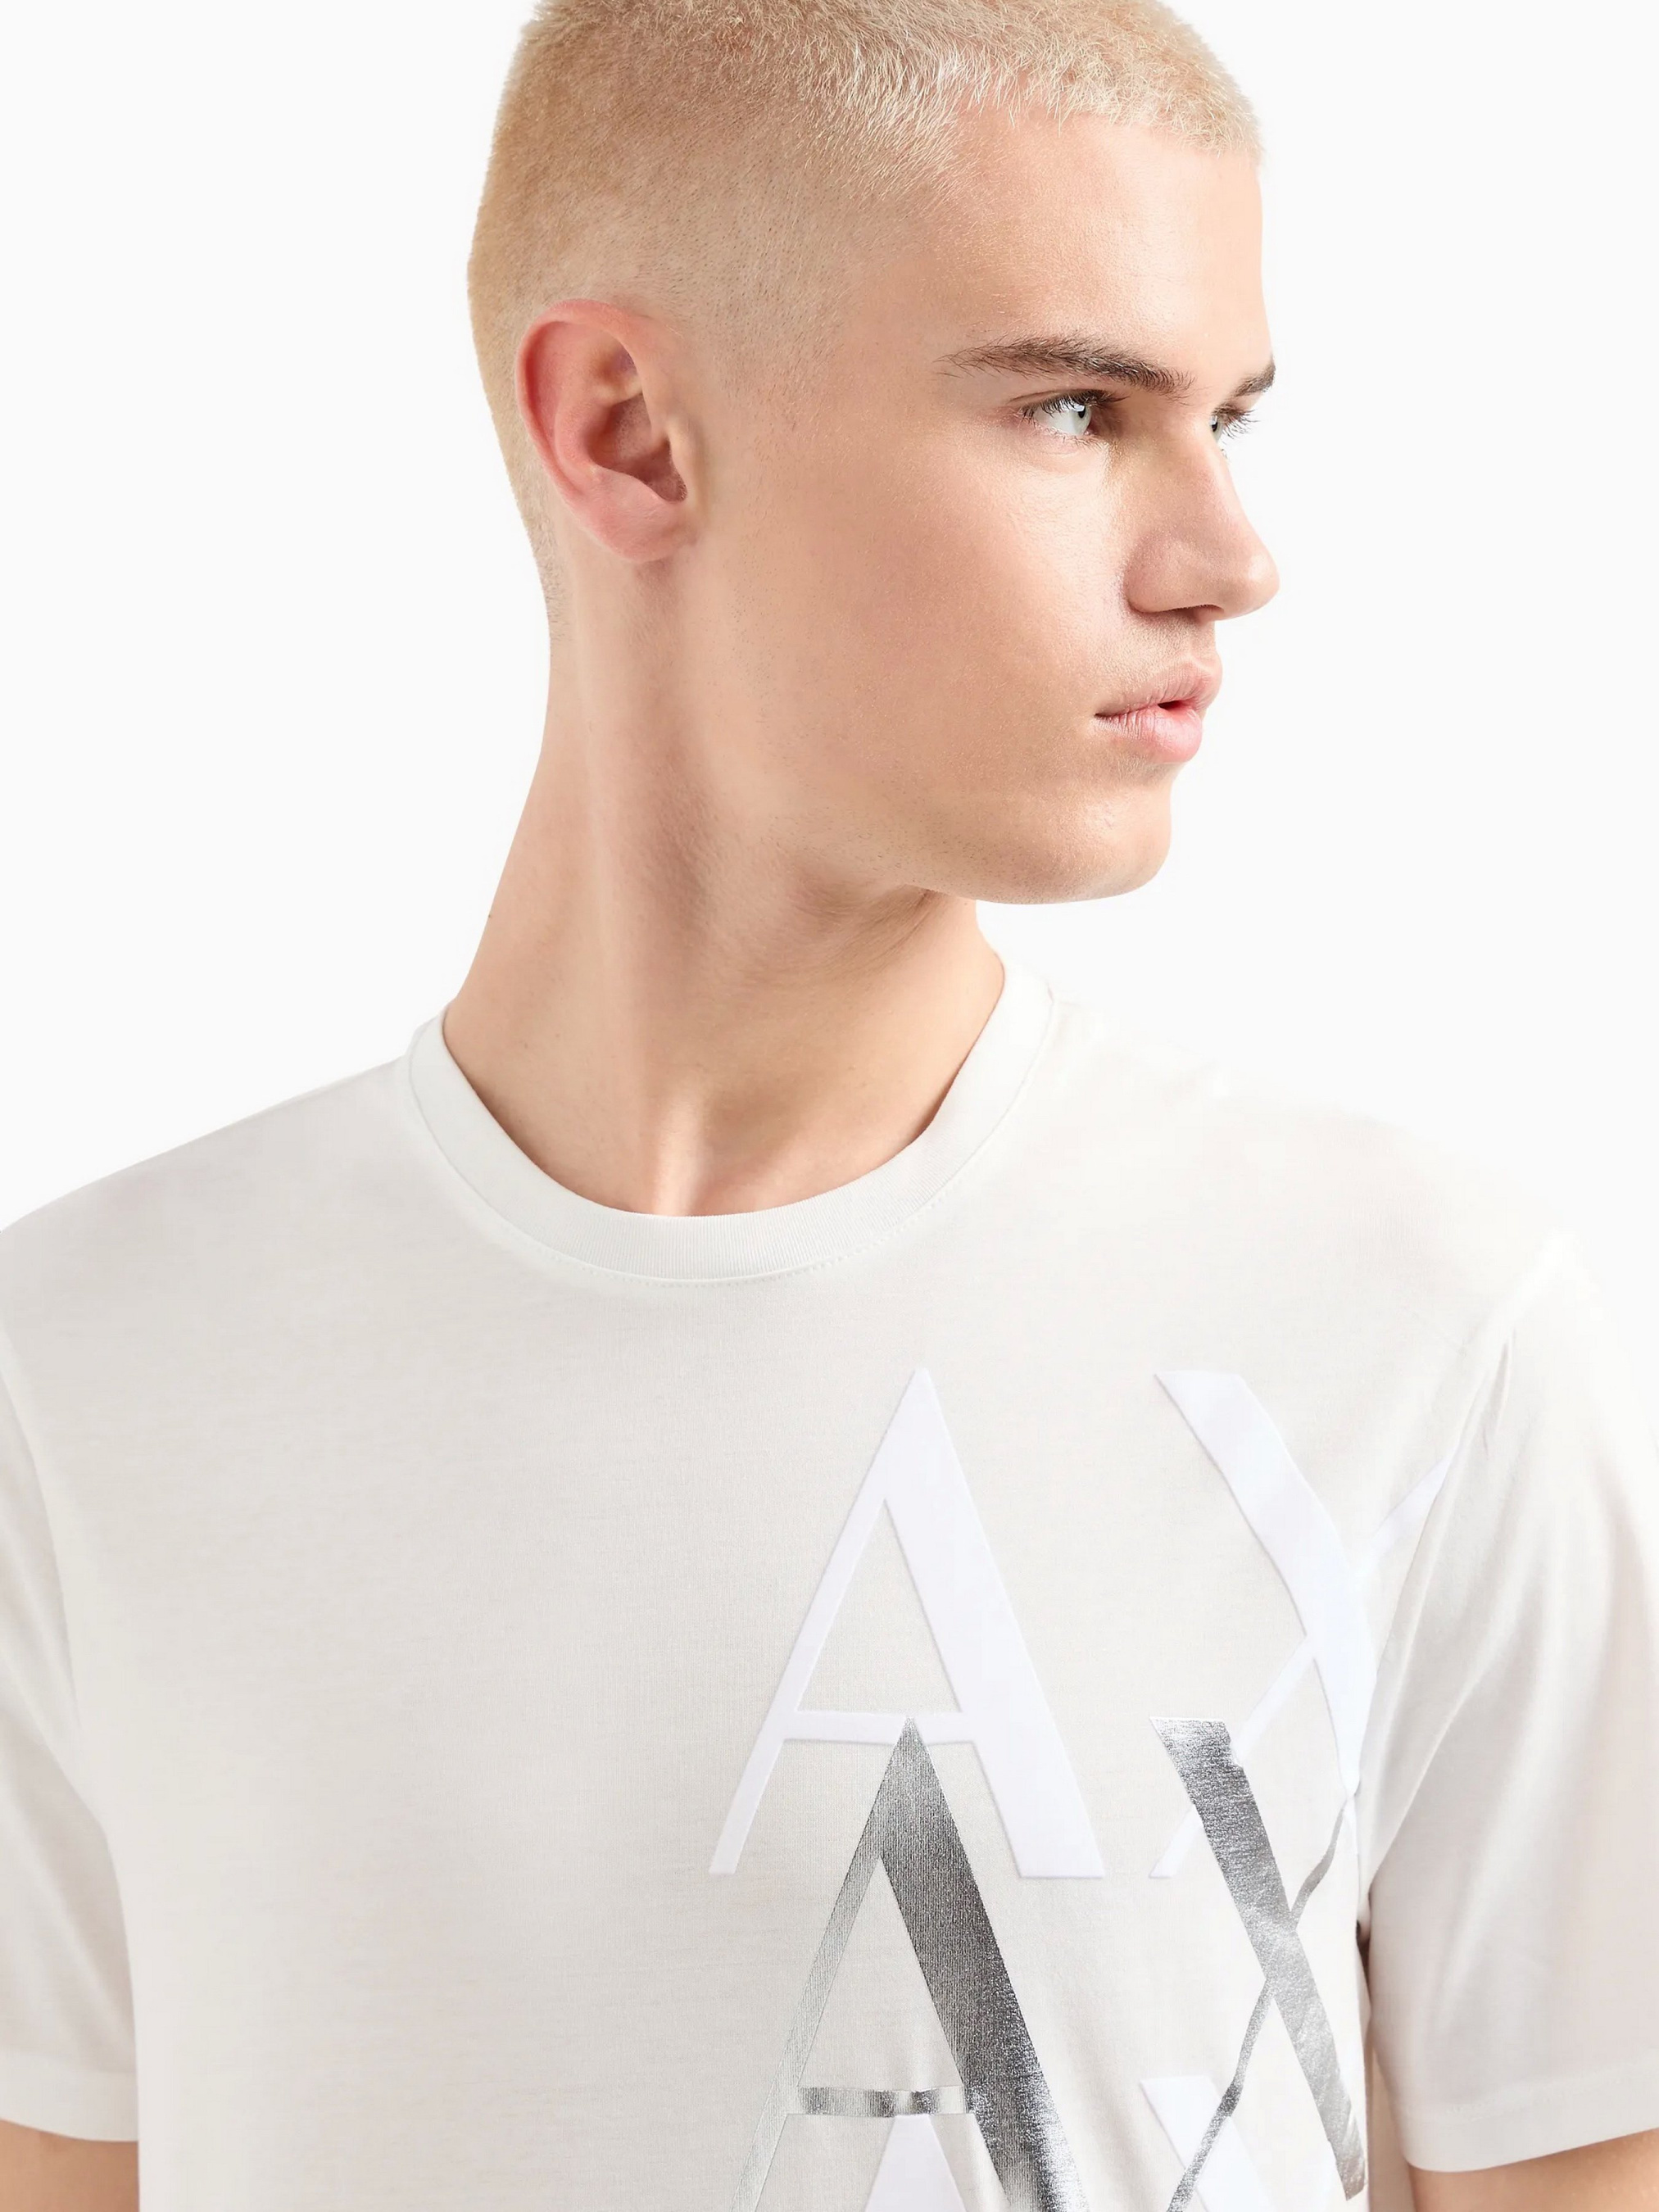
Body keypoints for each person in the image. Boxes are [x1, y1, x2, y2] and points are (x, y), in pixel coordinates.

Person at [3, 0, 1658, 2205]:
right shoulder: (87, 1375)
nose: (1227, 552)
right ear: (630, 436)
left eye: (1231, 417)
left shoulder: (1415, 1327)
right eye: (1074, 407)